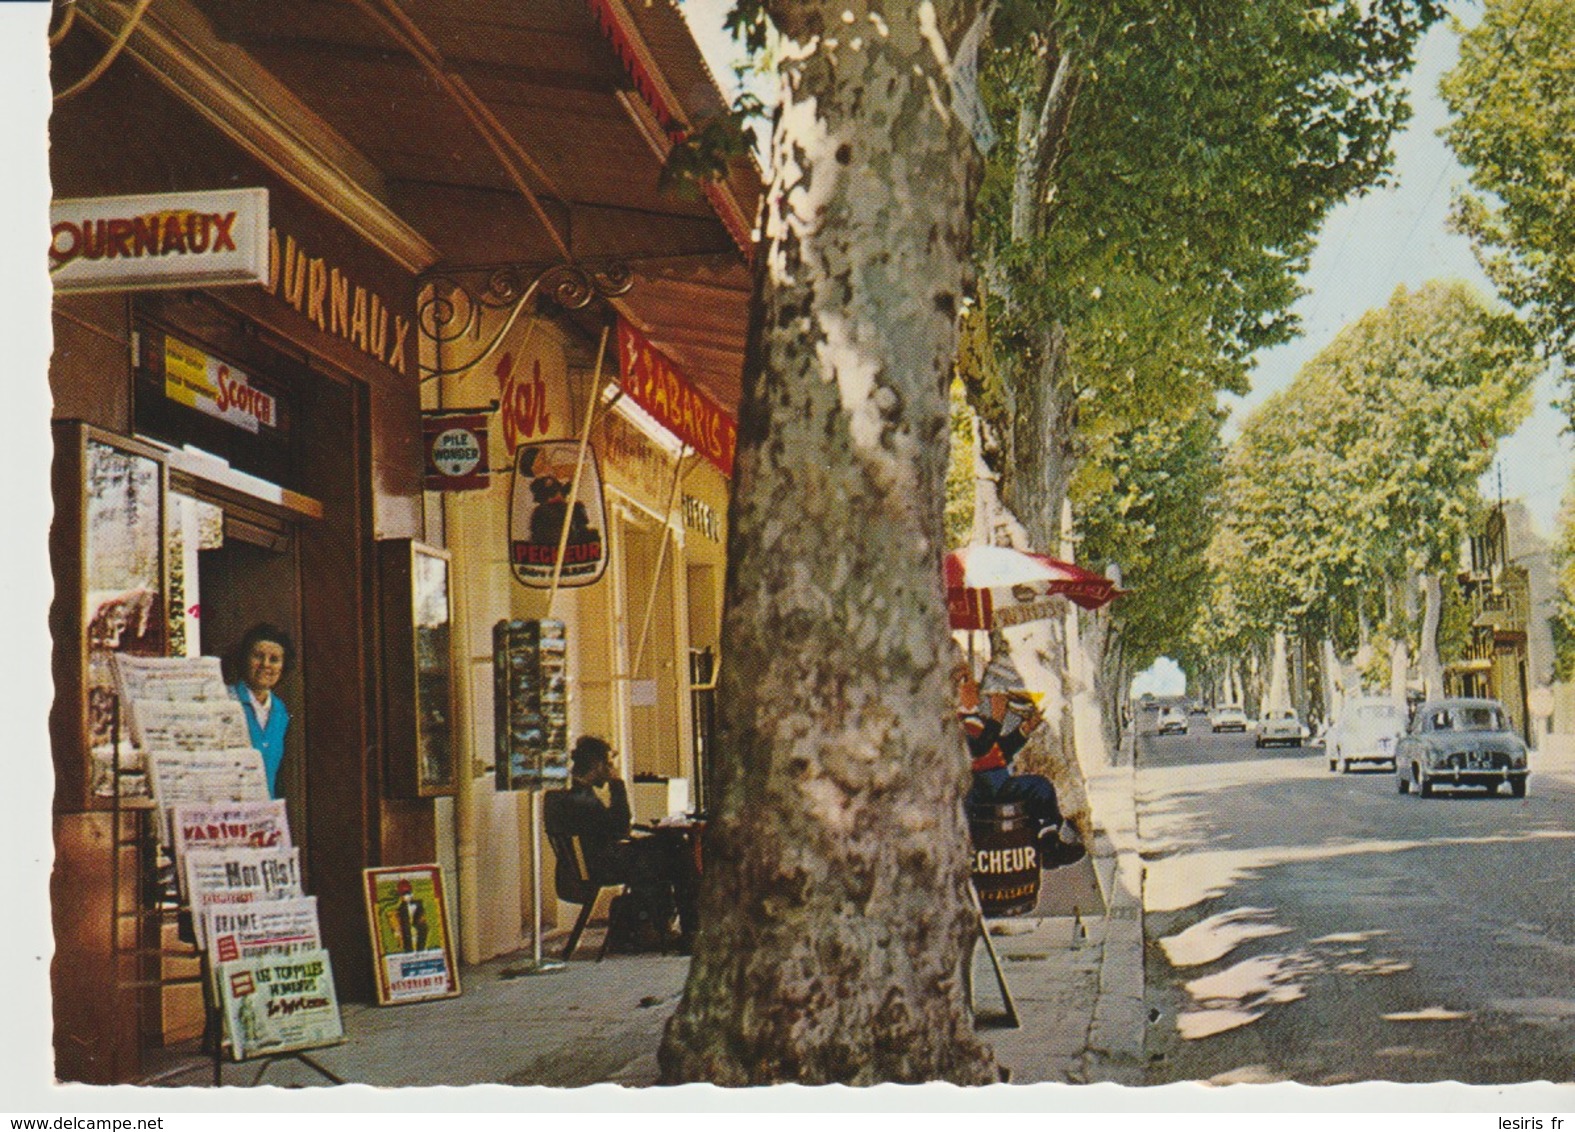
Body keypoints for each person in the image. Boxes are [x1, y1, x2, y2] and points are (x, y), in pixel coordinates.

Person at [543, 736, 699, 951]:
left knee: (672, 844)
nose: (611, 770)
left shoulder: (568, 797)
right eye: (608, 764)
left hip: (596, 863)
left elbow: (610, 831)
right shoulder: (582, 801)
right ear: (598, 765)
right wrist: (617, 785)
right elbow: (621, 828)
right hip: (603, 866)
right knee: (678, 853)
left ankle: (679, 930)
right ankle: (690, 931)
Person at [955, 663, 1085, 868]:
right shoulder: (957, 724)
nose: (973, 686)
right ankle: (1050, 846)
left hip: (994, 781)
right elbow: (980, 748)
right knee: (1038, 789)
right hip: (981, 788)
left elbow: (1000, 752)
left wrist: (1026, 728)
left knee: (1039, 789)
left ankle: (1047, 842)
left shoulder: (974, 720)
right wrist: (998, 716)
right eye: (965, 682)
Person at [229, 623, 294, 799]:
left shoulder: (281, 711)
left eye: (274, 659)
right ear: (245, 659)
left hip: (265, 815)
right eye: (258, 656)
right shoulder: (226, 701)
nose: (266, 664)